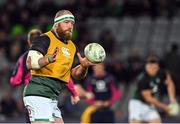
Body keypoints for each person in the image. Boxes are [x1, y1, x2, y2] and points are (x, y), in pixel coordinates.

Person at [23, 10, 94, 123]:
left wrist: (83, 67)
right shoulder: (45, 39)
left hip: (52, 97)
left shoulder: (72, 47)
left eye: (72, 23)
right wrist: (48, 59)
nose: (70, 26)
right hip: (38, 93)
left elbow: (75, 75)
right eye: (66, 22)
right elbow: (30, 62)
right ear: (56, 24)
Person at [128, 56, 177, 123]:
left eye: (154, 67)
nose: (152, 69)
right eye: (150, 67)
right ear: (146, 67)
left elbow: (170, 83)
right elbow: (148, 98)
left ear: (158, 67)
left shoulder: (161, 73)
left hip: (149, 105)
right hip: (137, 103)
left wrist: (172, 99)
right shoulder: (142, 79)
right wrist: (165, 107)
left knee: (156, 121)